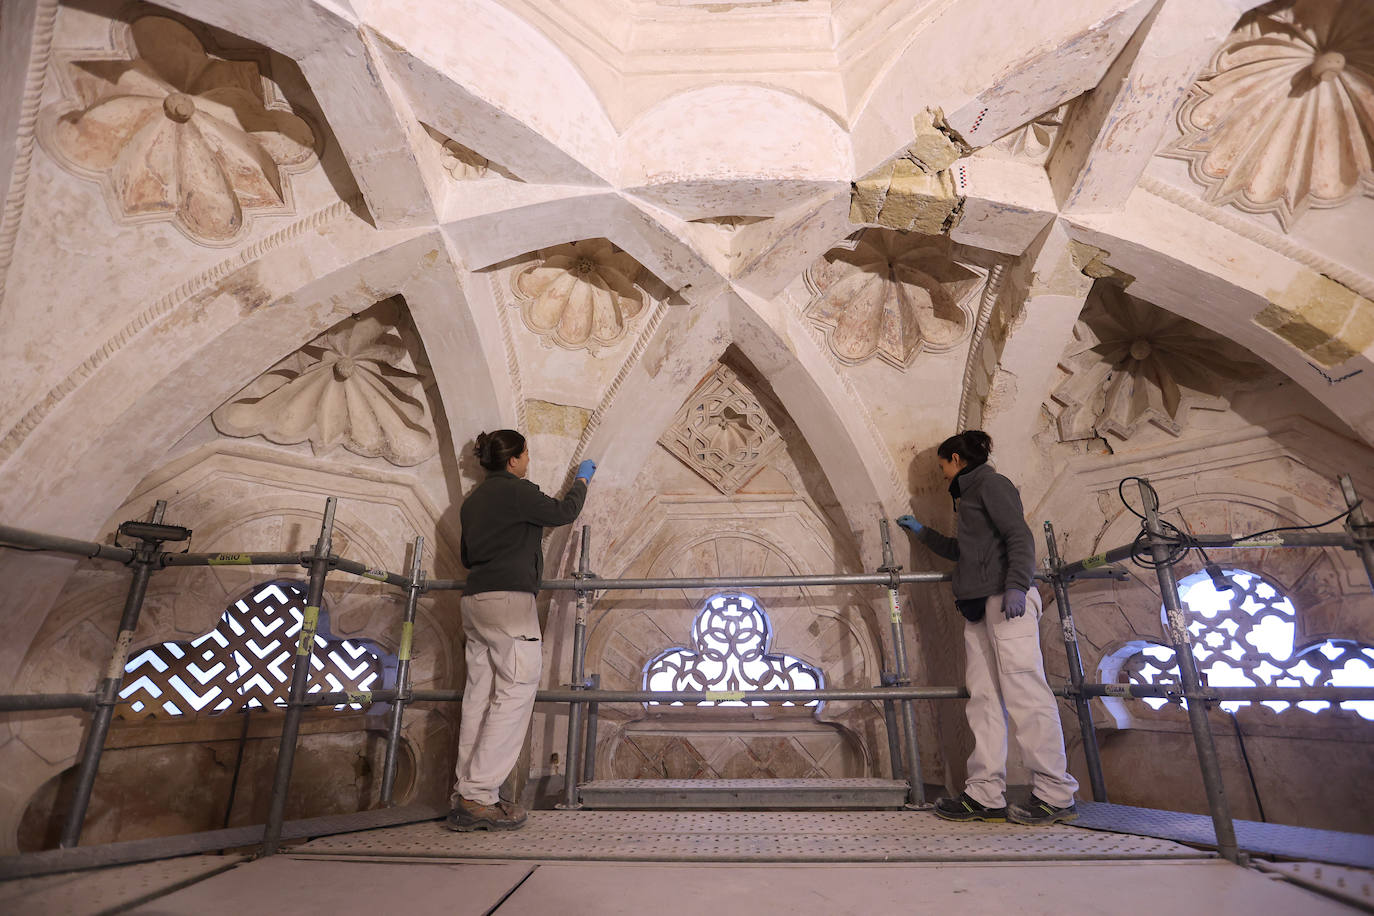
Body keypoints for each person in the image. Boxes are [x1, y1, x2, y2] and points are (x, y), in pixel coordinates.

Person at [896, 430, 1078, 826]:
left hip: (1005, 600)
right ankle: (984, 793)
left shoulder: (993, 485)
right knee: (984, 700)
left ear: (957, 460)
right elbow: (967, 552)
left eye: (944, 469)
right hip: (979, 606)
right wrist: (922, 533)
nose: (943, 479)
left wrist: (1016, 586)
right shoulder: (968, 496)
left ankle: (1055, 793)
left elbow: (1019, 536)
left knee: (1026, 693)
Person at [447, 429, 596, 832]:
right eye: (526, 454)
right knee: (516, 691)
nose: (528, 460)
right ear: (513, 460)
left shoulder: (472, 501)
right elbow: (563, 512)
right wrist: (582, 480)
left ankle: (466, 791)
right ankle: (479, 796)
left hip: (475, 602)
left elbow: (466, 555)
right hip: (510, 602)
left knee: (479, 695)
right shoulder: (517, 491)